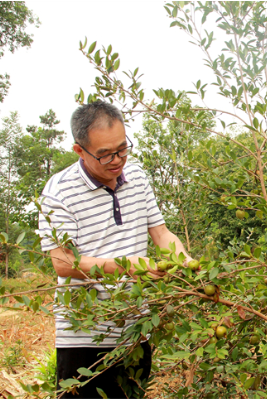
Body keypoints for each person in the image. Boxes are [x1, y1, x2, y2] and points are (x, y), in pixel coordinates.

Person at [37, 101, 193, 398]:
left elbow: (160, 232)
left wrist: (183, 260)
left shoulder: (137, 178)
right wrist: (128, 265)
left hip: (136, 329)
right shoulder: (59, 192)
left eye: (122, 149)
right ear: (80, 151)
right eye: (105, 154)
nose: (117, 160)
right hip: (85, 336)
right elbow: (64, 263)